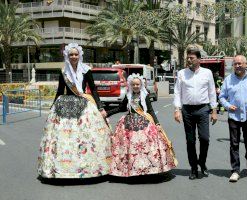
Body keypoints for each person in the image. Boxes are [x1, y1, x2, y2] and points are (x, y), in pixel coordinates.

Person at [37, 43, 112, 179]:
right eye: (71, 54)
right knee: (65, 138)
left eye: (76, 54)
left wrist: (100, 107)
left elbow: (93, 89)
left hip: (84, 104)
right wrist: (53, 107)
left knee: (87, 137)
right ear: (67, 56)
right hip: (66, 104)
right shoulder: (63, 71)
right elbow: (60, 91)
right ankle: (63, 168)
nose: (73, 56)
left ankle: (88, 167)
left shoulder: (86, 70)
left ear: (80, 55)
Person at [110, 73, 177, 177]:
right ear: (130, 85)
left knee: (147, 146)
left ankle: (148, 169)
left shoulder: (145, 95)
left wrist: (157, 123)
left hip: (144, 123)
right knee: (129, 147)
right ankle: (131, 169)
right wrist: (107, 113)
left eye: (138, 84)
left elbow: (150, 110)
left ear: (141, 85)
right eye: (134, 85)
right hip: (129, 124)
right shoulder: (128, 96)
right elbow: (121, 108)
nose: (136, 86)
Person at [173, 47, 218, 180]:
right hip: (187, 110)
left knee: (205, 138)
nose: (189, 60)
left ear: (198, 59)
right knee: (190, 141)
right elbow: (177, 92)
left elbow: (212, 92)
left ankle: (202, 162)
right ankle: (193, 167)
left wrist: (214, 111)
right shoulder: (182, 73)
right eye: (188, 57)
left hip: (203, 109)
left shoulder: (207, 73)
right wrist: (177, 109)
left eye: (192, 58)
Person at [219, 55, 247, 182]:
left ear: (246, 64)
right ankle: (235, 170)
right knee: (234, 143)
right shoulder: (228, 79)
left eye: (240, 63)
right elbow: (222, 97)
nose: (237, 66)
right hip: (234, 116)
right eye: (235, 64)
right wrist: (228, 106)